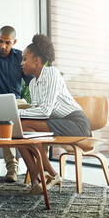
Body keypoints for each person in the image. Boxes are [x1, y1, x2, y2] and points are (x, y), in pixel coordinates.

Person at [18, 33, 91, 195]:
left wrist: (18, 111)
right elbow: (38, 112)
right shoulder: (32, 84)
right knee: (18, 133)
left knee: (23, 125)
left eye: (24, 59)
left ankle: (50, 175)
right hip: (58, 122)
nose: (22, 63)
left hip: (76, 124)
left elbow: (45, 111)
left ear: (36, 61)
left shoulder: (52, 74)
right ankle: (36, 180)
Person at [0, 26, 33, 182]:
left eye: (7, 43)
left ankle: (38, 167)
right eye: (0, 41)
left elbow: (31, 81)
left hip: (18, 102)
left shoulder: (20, 57)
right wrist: (2, 103)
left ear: (14, 42)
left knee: (40, 114)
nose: (3, 46)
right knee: (6, 117)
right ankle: (12, 168)